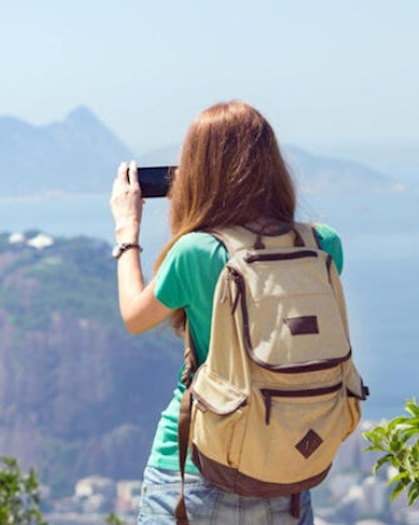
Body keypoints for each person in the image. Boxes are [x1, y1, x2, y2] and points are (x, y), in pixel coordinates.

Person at [109, 100, 342, 524]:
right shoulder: (323, 246)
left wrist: (128, 232)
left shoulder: (197, 251)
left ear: (197, 169)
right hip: (287, 466)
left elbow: (134, 316)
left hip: (196, 467)